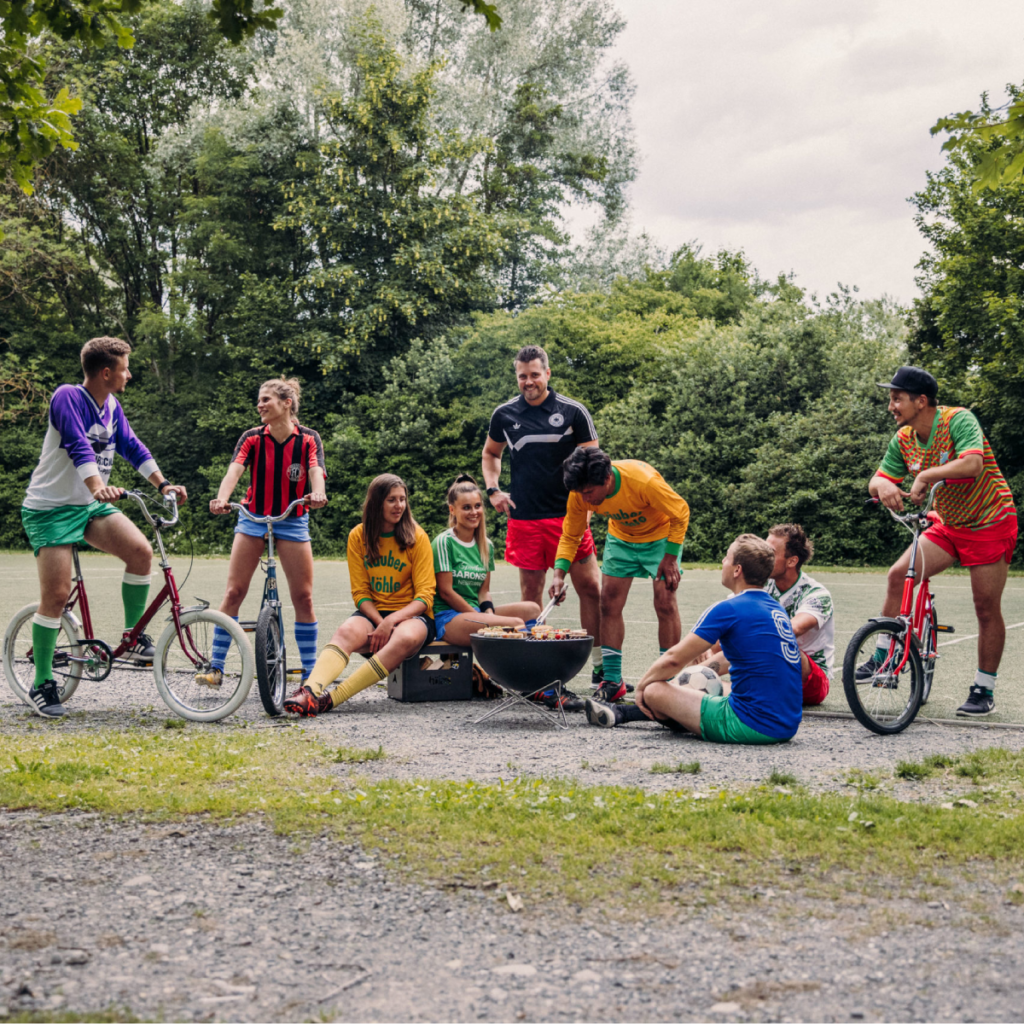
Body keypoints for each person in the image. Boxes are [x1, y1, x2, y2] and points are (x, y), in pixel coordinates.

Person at [20, 336, 188, 717]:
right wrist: (98, 486)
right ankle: (43, 682)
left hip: (89, 507)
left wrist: (163, 484)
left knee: (140, 552)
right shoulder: (67, 396)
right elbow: (78, 444)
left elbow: (131, 446)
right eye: (126, 368)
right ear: (107, 372)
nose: (130, 374)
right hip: (50, 510)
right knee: (57, 595)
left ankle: (132, 636)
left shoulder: (112, 405)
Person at [867, 366, 1018, 717]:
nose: (891, 405)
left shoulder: (957, 420)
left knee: (984, 606)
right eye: (890, 398)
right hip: (949, 524)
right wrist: (884, 486)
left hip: (990, 521)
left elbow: (972, 465)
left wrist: (926, 474)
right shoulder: (903, 438)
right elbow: (877, 479)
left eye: (896, 398)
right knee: (897, 575)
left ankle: (984, 688)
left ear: (921, 401)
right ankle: (882, 659)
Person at [586, 534, 803, 744]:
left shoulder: (728, 609)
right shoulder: (776, 609)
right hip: (786, 724)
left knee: (655, 691)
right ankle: (627, 713)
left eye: (727, 557)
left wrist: (642, 688)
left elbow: (673, 659)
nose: (722, 561)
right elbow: (741, 657)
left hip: (751, 725)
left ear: (737, 570)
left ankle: (627, 712)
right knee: (706, 681)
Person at [482, 344, 604, 691]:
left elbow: (594, 465)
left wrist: (589, 506)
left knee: (590, 590)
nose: (529, 381)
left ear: (547, 374)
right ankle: (538, 676)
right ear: (517, 377)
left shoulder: (573, 411)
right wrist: (494, 490)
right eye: (523, 376)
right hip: (525, 519)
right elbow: (491, 454)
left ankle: (599, 669)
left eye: (535, 374)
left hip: (569, 518)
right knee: (531, 598)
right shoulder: (504, 414)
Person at [202, 378, 327, 686]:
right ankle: (215, 668)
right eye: (259, 400)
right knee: (234, 592)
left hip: (293, 518)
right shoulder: (252, 438)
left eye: (266, 399)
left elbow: (315, 471)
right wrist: (222, 498)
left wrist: (318, 493)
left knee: (304, 597)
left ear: (286, 403)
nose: (260, 405)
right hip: (253, 517)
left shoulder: (308, 439)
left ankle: (311, 675)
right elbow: (235, 469)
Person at [283, 474, 435, 717]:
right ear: (376, 503)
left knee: (403, 638)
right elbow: (361, 593)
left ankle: (330, 700)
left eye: (402, 500)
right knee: (345, 632)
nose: (399, 506)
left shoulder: (417, 536)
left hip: (412, 617)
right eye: (391, 500)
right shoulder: (358, 536)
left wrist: (391, 622)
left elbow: (425, 597)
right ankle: (309, 692)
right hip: (375, 615)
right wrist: (380, 622)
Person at [551, 447, 690, 704]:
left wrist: (670, 556)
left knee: (665, 602)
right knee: (609, 602)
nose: (585, 500)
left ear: (606, 479)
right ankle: (612, 681)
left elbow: (680, 512)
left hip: (660, 537)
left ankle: (667, 680)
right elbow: (571, 534)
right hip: (622, 538)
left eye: (589, 493)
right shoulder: (581, 493)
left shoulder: (642, 481)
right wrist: (559, 574)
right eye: (581, 493)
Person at [688, 524, 833, 706]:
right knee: (704, 646)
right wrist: (707, 648)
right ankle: (695, 683)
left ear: (792, 561)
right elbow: (728, 625)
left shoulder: (817, 595)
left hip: (810, 680)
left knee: (773, 642)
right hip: (768, 670)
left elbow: (790, 630)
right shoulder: (759, 584)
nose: (764, 555)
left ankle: (689, 678)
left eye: (770, 551)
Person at [432, 475, 540, 646]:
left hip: (476, 612)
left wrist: (488, 613)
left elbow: (483, 592)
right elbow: (446, 593)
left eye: (477, 506)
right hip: (448, 617)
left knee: (532, 610)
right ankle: (516, 670)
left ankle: (527, 666)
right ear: (452, 510)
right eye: (466, 508)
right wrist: (485, 618)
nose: (474, 512)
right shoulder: (444, 542)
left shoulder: (486, 545)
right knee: (515, 625)